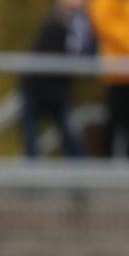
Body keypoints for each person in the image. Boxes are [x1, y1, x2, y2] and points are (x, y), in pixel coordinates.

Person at [20, 0, 95, 158]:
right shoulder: (55, 22)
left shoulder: (82, 25)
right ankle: (33, 172)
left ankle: (78, 171)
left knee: (71, 138)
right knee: (31, 140)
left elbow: (85, 51)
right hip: (37, 87)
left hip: (58, 90)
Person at [89, 0, 129, 157]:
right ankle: (105, 164)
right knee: (114, 123)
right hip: (117, 75)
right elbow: (103, 22)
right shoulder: (105, 4)